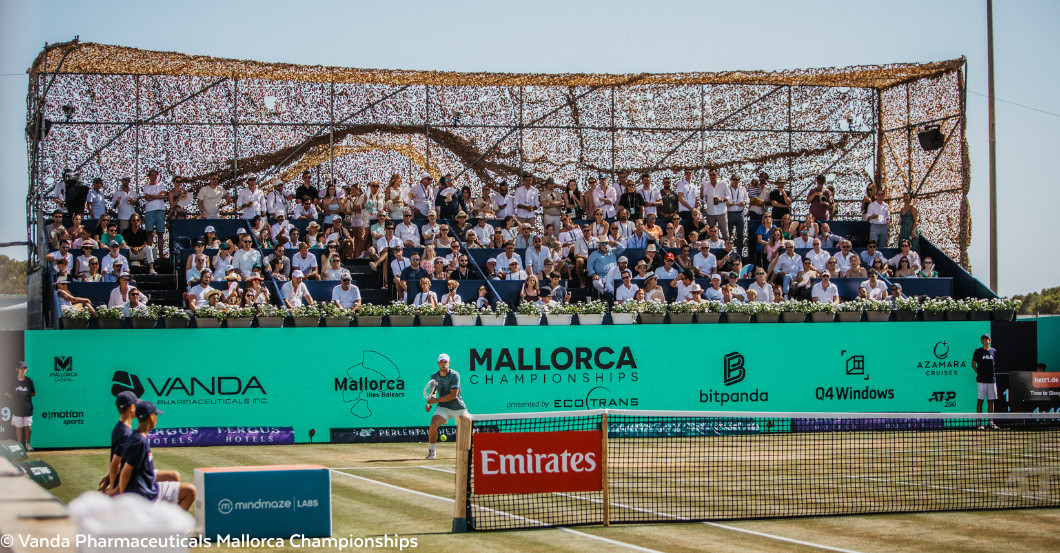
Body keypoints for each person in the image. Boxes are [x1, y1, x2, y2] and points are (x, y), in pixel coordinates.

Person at [118, 400, 197, 510]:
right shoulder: (140, 441)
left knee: (178, 480)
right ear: (152, 417)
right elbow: (126, 472)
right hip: (146, 495)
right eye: (156, 415)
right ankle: (172, 525)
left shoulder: (136, 437)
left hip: (149, 488)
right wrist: (124, 499)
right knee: (190, 491)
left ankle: (168, 522)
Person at [425, 353, 470, 460]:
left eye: (445, 362)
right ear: (438, 363)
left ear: (449, 363)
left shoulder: (455, 375)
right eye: (441, 362)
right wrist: (430, 404)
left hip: (458, 408)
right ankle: (432, 451)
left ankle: (471, 450)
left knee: (468, 431)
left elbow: (453, 395)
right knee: (433, 425)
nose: (443, 364)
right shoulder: (434, 376)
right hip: (443, 407)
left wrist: (435, 400)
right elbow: (433, 392)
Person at [972, 334, 1000, 428]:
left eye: (986, 339)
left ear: (990, 340)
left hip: (991, 380)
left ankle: (991, 422)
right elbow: (973, 364)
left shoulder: (993, 351)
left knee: (991, 401)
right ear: (981, 341)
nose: (985, 341)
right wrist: (979, 373)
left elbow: (994, 363)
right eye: (983, 339)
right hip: (981, 381)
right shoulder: (978, 351)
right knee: (980, 401)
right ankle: (980, 423)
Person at [6, 362, 35, 451]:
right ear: (17, 369)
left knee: (27, 427)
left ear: (26, 370)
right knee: (18, 427)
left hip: (27, 407)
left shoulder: (29, 381)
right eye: (21, 368)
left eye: (24, 369)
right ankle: (19, 445)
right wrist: (16, 399)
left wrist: (24, 399)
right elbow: (7, 393)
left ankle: (28, 444)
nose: (22, 370)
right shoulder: (13, 381)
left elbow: (32, 393)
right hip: (17, 408)